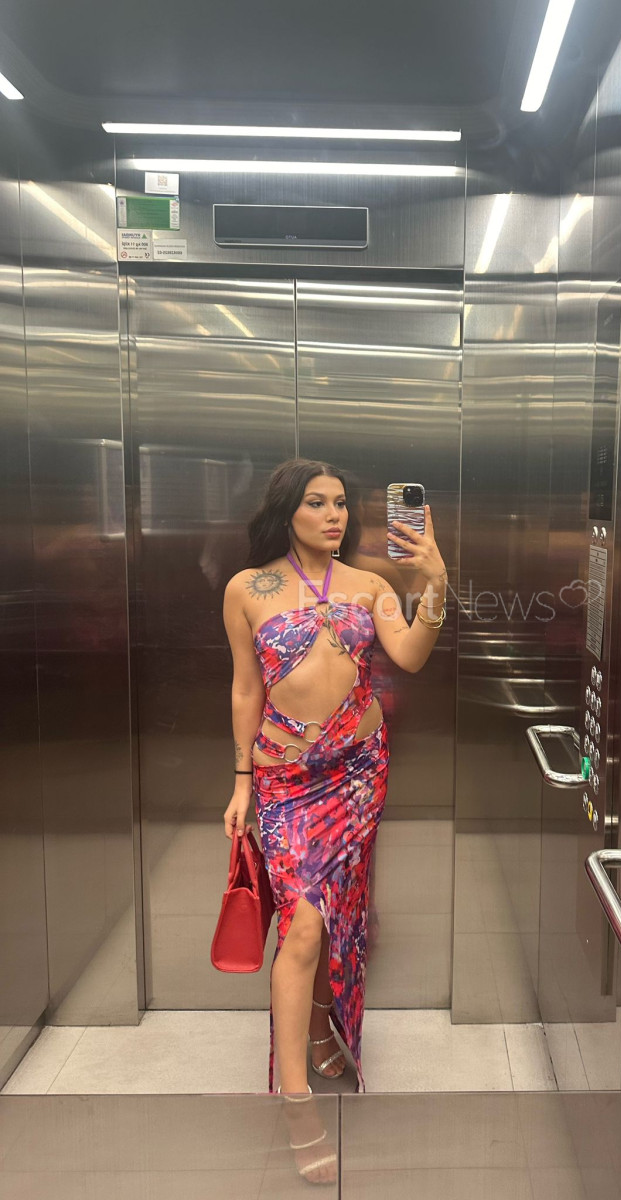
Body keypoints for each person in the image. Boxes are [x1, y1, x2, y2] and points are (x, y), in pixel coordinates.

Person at [221, 458, 446, 1182]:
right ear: (287, 510)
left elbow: (410, 655)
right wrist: (241, 781)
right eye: (317, 503)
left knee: (339, 911)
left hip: (357, 775)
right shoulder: (247, 589)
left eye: (341, 503)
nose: (333, 515)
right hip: (286, 780)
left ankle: (322, 1031)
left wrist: (435, 583)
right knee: (303, 924)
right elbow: (246, 688)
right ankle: (295, 1103)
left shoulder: (370, 585)